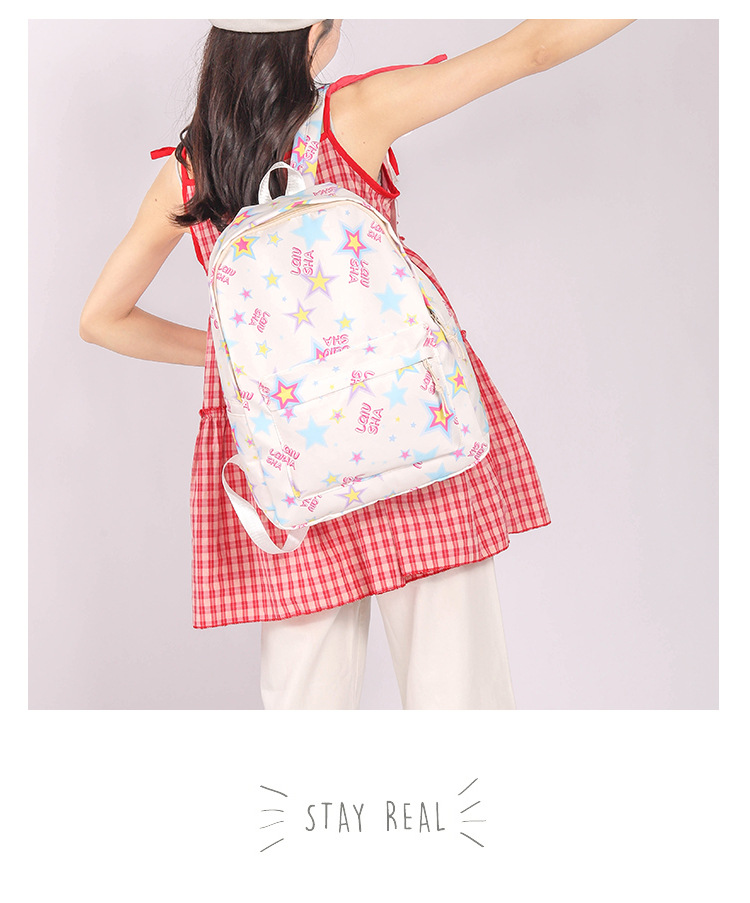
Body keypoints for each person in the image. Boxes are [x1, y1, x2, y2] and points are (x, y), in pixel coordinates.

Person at [80, 18, 635, 710]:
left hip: (291, 459)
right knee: (458, 692)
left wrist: (247, 367)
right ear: (313, 32)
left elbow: (101, 319)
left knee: (307, 705)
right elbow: (533, 48)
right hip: (409, 429)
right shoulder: (354, 115)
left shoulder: (190, 172)